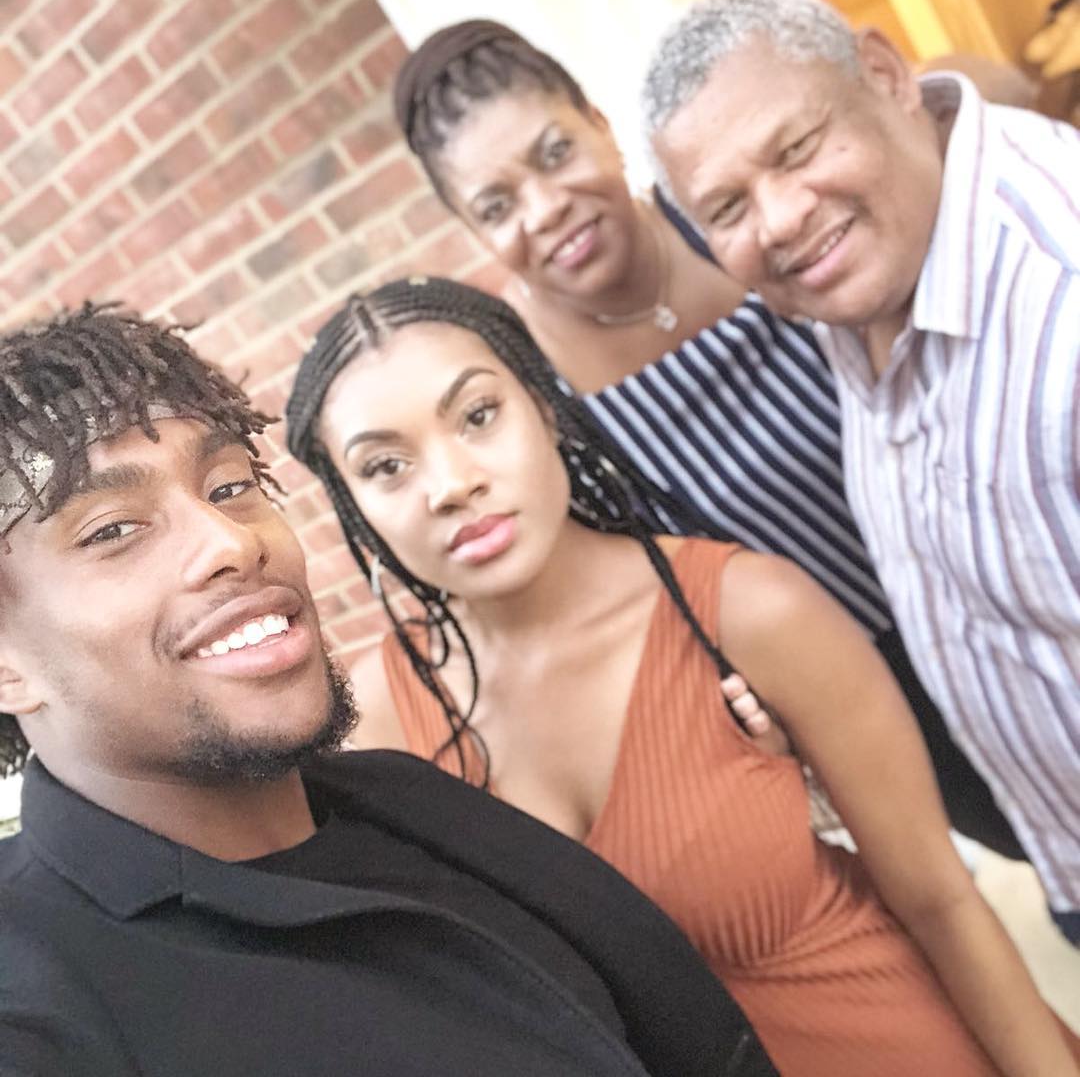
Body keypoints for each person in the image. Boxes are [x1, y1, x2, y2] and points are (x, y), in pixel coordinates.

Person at [284, 275, 1080, 1077]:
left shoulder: (748, 611)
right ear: (354, 509)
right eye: (385, 465)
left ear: (544, 407)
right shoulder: (376, 724)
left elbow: (940, 902)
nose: (452, 483)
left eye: (479, 416)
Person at [0, 303, 780, 1077]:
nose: (230, 541)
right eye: (112, 530)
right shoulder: (36, 1007)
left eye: (231, 485)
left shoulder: (410, 800)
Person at [390, 18, 1028, 860]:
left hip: (1004, 559)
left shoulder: (732, 215)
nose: (546, 211)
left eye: (552, 153)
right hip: (871, 679)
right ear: (474, 234)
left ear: (600, 125)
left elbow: (988, 88)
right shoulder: (533, 389)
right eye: (497, 206)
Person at [643, 0, 1080, 943]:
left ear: (884, 76)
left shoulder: (1059, 288)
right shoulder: (858, 297)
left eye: (796, 148)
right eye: (726, 207)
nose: (783, 218)